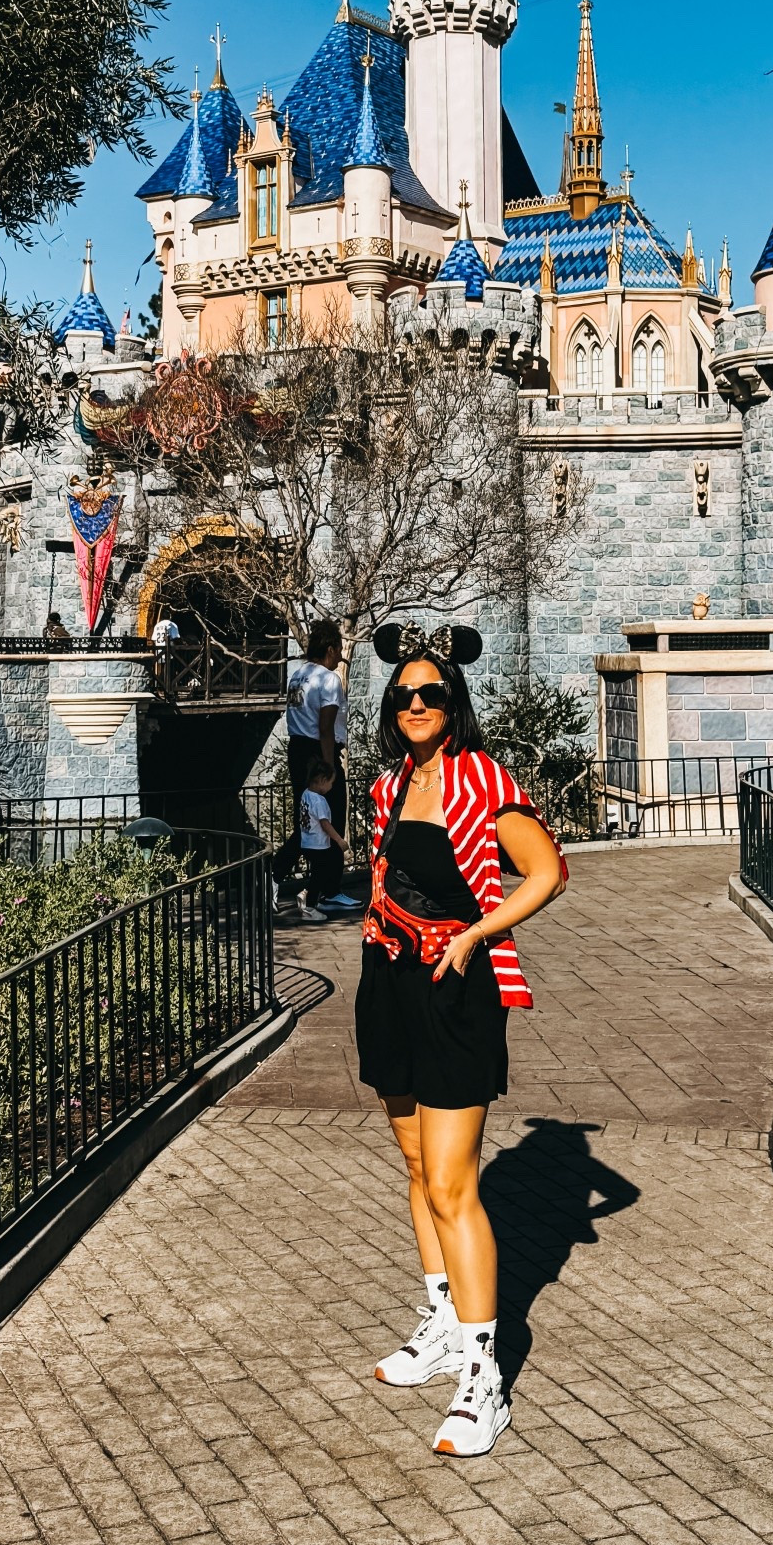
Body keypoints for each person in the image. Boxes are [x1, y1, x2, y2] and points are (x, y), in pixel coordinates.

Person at [356, 622, 566, 1458]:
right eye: (403, 695)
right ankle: (441, 1321)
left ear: (454, 703)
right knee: (413, 1168)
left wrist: (478, 934)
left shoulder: (485, 780)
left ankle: (486, 1374)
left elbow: (546, 871)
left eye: (431, 694)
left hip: (456, 989)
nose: (415, 705)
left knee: (453, 1184)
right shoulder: (386, 787)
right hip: (389, 982)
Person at [283, 621, 354, 912]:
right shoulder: (329, 679)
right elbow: (326, 727)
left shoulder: (297, 676)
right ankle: (330, 888)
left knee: (307, 817)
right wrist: (329, 767)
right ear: (329, 648)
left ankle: (286, 875)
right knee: (332, 816)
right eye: (338, 650)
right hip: (319, 751)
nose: (340, 656)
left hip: (297, 749)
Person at [295, 761, 346, 923]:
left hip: (307, 842)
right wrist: (339, 840)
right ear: (322, 780)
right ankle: (309, 906)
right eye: (330, 782)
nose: (331, 786)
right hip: (318, 845)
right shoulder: (319, 801)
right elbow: (325, 824)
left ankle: (306, 894)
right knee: (320, 875)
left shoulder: (305, 794)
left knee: (318, 873)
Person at [151, 609, 180, 697]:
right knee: (170, 670)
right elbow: (175, 638)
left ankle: (162, 687)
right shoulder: (171, 625)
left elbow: (153, 638)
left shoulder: (157, 625)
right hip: (169, 651)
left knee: (164, 668)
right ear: (170, 616)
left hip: (159, 650)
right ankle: (168, 689)